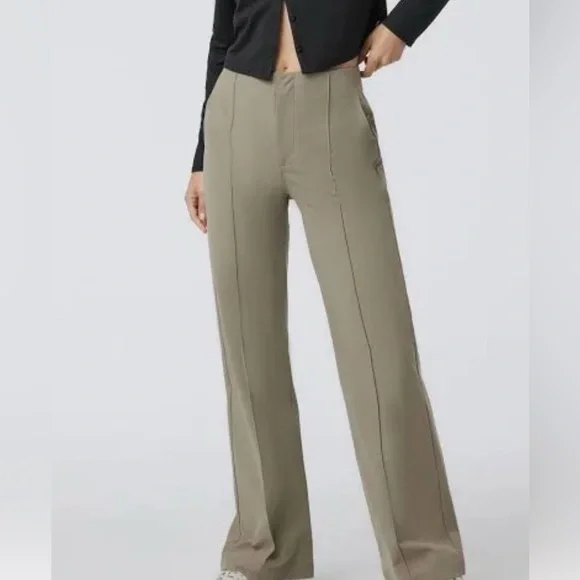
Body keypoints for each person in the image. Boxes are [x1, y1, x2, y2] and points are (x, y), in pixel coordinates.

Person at [184, 2, 466, 580]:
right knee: (249, 354)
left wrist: (402, 26)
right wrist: (202, 159)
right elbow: (222, 32)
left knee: (381, 351)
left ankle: (424, 562)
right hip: (236, 116)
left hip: (332, 111)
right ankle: (266, 556)